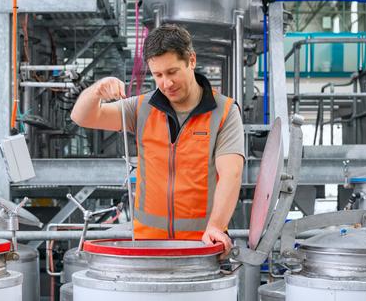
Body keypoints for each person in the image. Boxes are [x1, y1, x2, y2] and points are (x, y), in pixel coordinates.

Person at [70, 24, 244, 254]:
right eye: (158, 75)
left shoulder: (224, 112)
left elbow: (231, 174)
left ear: (191, 60)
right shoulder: (141, 108)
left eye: (172, 72)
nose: (166, 84)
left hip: (201, 245)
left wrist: (216, 227)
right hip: (147, 245)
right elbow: (83, 117)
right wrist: (96, 91)